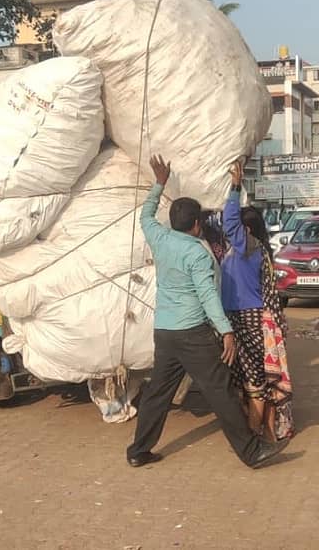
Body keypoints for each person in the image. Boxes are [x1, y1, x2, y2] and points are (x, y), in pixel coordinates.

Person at [126, 156, 289, 469]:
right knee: (222, 392)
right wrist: (226, 331)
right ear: (197, 225)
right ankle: (252, 452)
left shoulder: (159, 238)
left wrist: (159, 183)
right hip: (193, 333)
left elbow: (146, 215)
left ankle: (138, 450)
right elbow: (207, 296)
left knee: (158, 392)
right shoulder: (197, 253)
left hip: (165, 331)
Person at [221, 162, 294, 441]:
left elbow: (228, 220)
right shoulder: (257, 250)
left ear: (246, 229)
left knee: (253, 379)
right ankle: (266, 429)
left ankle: (254, 435)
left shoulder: (246, 247)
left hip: (245, 318)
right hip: (252, 317)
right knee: (258, 376)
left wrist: (236, 187)